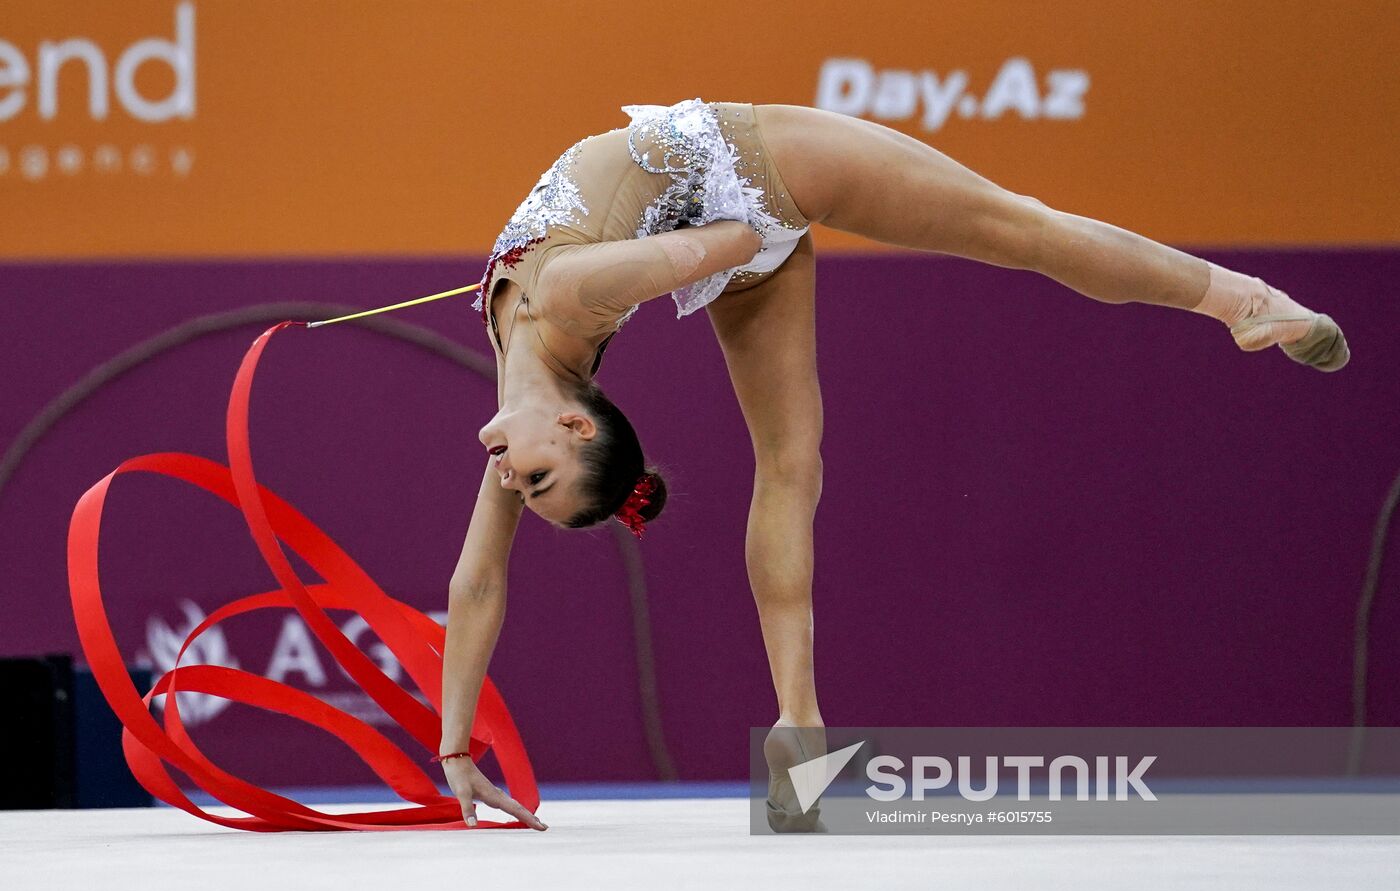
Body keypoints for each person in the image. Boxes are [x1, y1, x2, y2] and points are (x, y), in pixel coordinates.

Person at [436, 98, 1350, 832]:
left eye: (531, 484)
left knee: (1014, 227)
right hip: (721, 234)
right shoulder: (540, 394)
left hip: (755, 163)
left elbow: (736, 238)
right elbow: (479, 582)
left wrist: (660, 252)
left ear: (577, 428)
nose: (512, 482)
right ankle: (801, 729)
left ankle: (1243, 300)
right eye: (531, 484)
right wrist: (456, 753)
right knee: (792, 465)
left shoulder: (563, 298)